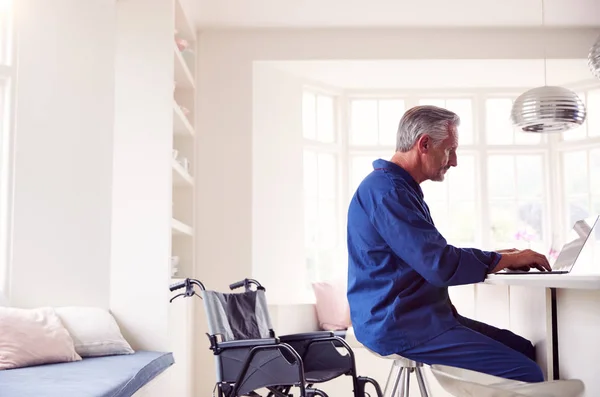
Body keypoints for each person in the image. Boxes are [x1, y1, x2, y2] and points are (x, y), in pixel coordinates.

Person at [346, 105, 552, 383]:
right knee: (527, 372)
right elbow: (439, 265)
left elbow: (429, 255)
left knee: (524, 350)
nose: (453, 161)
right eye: (449, 149)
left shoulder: (396, 187)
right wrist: (503, 260)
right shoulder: (389, 192)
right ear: (424, 144)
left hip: (415, 317)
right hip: (401, 325)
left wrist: (500, 256)